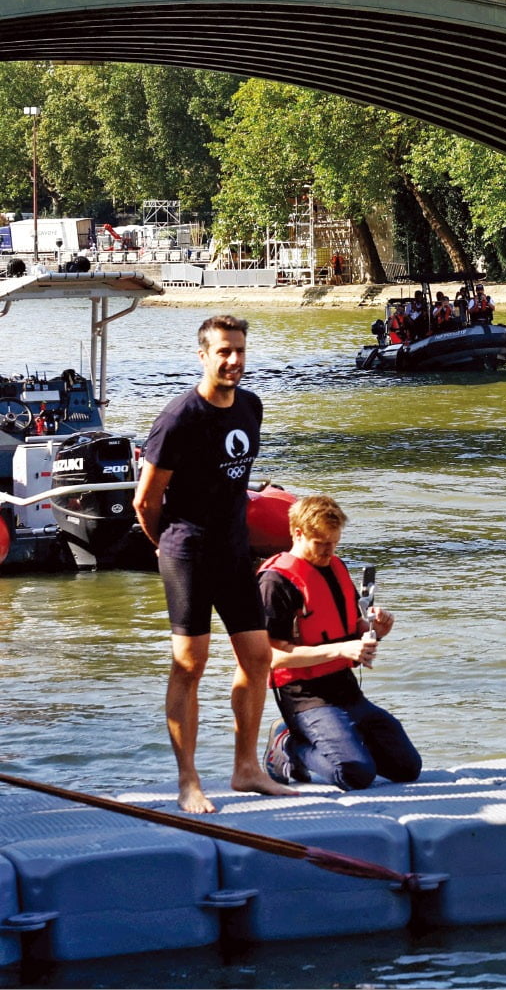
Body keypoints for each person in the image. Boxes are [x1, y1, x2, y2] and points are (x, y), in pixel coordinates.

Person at [133, 315, 295, 813]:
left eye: (240, 350)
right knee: (190, 664)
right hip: (187, 551)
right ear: (203, 355)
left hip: (233, 549)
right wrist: (168, 545)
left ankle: (246, 769)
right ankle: (188, 781)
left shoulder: (250, 407)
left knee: (258, 657)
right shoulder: (179, 418)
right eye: (223, 351)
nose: (234, 361)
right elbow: (146, 501)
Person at [260, 494, 421, 790]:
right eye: (321, 543)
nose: (329, 551)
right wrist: (341, 650)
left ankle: (342, 739)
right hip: (305, 697)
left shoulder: (336, 566)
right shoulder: (275, 583)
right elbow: (270, 656)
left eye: (334, 542)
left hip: (346, 690)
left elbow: (349, 630)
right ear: (298, 533)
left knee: (407, 768)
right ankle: (288, 744)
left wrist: (376, 629)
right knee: (354, 774)